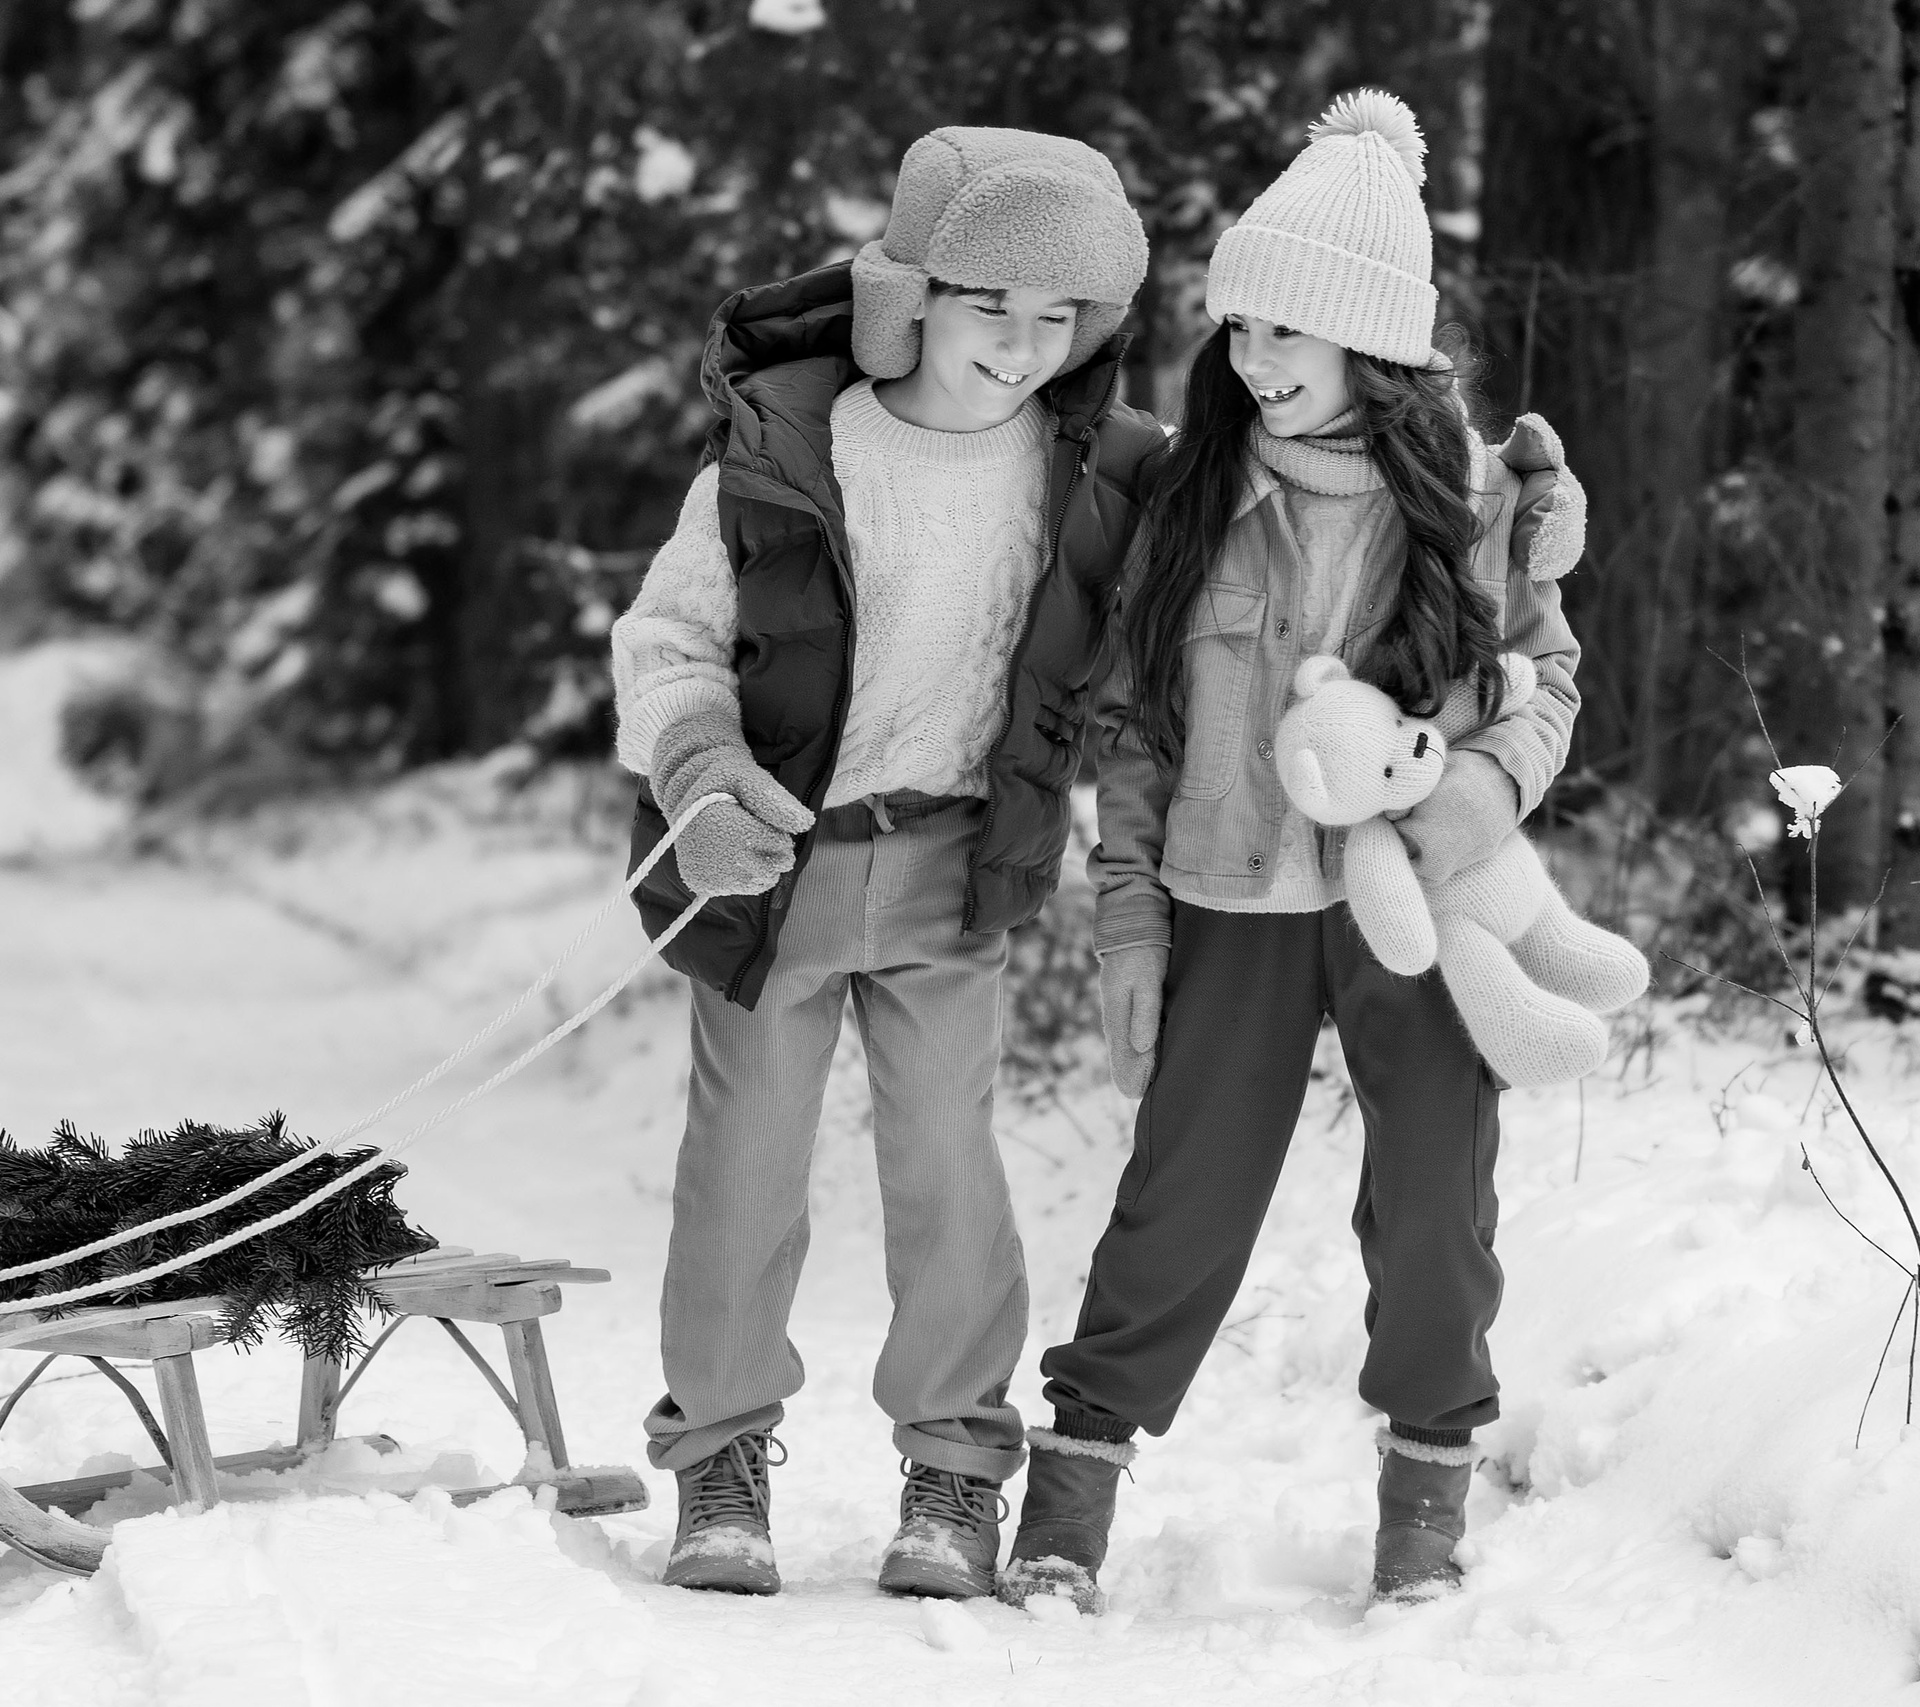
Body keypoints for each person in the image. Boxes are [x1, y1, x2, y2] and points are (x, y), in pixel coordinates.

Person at [1000, 90, 1591, 1613]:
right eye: (1241, 330)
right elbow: (1130, 730)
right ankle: (1069, 1505)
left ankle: (1425, 1506)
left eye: (1287, 335)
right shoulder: (1193, 494)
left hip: (1422, 909)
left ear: (1368, 343)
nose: (1252, 362)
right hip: (1230, 899)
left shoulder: (1472, 506)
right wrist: (1127, 926)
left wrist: (1475, 798)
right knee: (1176, 1206)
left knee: (1435, 1207)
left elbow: (1548, 684)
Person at [606, 126, 1160, 1601]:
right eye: (993, 310)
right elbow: (664, 640)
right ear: (909, 293)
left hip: (951, 866)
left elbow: (1293, 516)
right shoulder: (787, 446)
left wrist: (1488, 508)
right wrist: (698, 771)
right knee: (745, 1162)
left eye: (1063, 322)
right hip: (768, 869)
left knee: (943, 1163)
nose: (1024, 349)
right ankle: (719, 1454)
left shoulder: (1096, 472)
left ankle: (957, 1468)